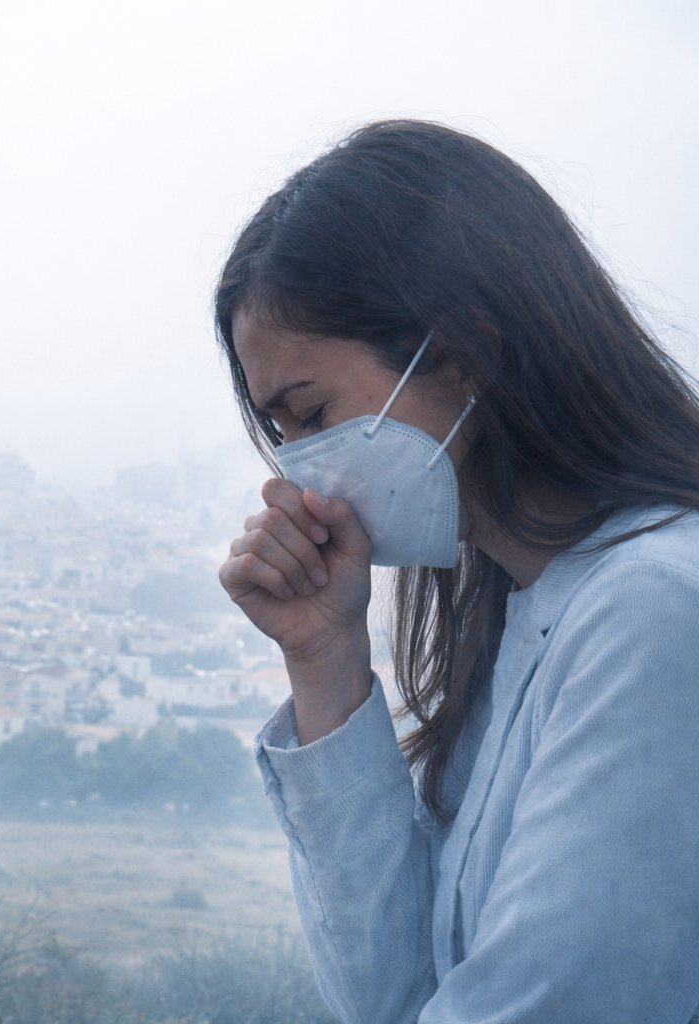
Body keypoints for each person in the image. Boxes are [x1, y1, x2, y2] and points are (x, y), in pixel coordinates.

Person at [215, 120, 699, 1023]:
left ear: (464, 353)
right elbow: (396, 996)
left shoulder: (654, 611)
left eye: (313, 413)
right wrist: (325, 665)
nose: (299, 471)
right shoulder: (528, 610)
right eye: (281, 438)